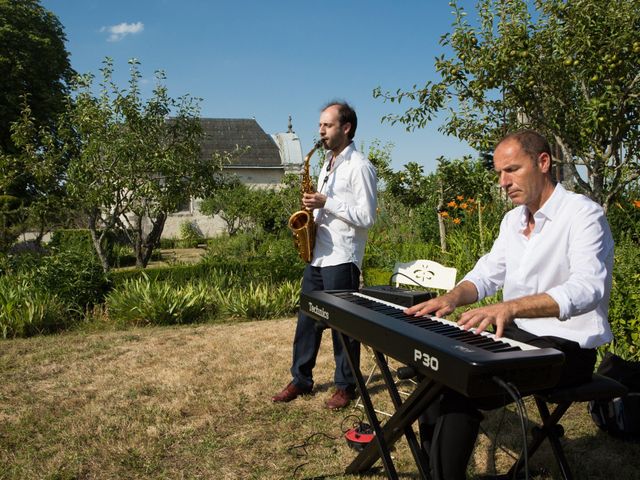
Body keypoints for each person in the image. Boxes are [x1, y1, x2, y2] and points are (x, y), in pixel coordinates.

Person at [405, 130, 614, 479]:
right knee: (436, 368)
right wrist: (451, 297)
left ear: (543, 162)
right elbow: (487, 274)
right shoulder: (512, 220)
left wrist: (511, 307)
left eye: (512, 170)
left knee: (462, 383)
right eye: (499, 173)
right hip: (518, 336)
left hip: (568, 347)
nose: (503, 182)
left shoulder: (583, 215)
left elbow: (587, 288)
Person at [272, 101, 377, 409]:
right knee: (306, 321)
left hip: (342, 258)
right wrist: (311, 211)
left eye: (327, 125)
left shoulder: (360, 166)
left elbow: (367, 217)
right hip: (318, 256)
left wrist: (326, 202)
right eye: (320, 125)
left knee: (344, 326)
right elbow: (324, 207)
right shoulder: (326, 164)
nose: (320, 130)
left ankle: (346, 385)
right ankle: (301, 379)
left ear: (346, 128)